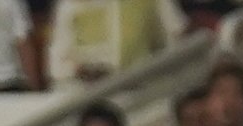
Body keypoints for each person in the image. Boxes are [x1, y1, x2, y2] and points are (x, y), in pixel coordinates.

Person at [47, 0, 186, 86]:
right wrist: (80, 70)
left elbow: (177, 43)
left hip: (145, 96)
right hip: (89, 98)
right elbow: (56, 66)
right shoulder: (70, 5)